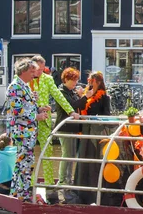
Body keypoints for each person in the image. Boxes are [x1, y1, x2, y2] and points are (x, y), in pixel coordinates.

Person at [30, 55, 79, 185]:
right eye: (37, 69)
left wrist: (71, 111)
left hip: (44, 121)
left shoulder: (48, 79)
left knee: (47, 153)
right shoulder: (25, 80)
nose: (40, 72)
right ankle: (29, 184)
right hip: (29, 122)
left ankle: (49, 184)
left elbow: (58, 96)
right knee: (28, 154)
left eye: (42, 69)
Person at [7, 58, 49, 202]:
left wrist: (40, 108)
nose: (34, 74)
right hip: (22, 133)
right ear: (24, 71)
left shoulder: (24, 86)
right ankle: (19, 195)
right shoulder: (15, 87)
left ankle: (22, 193)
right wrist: (37, 116)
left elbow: (27, 106)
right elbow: (17, 110)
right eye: (32, 71)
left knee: (26, 163)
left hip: (28, 133)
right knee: (22, 163)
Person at [74, 71, 111, 205]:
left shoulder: (104, 97)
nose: (89, 84)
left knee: (95, 161)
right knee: (84, 159)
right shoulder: (86, 95)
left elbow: (107, 114)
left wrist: (95, 117)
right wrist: (83, 97)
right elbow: (80, 108)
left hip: (97, 134)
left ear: (98, 83)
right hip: (86, 132)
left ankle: (95, 191)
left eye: (92, 81)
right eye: (89, 81)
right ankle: (81, 190)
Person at [55, 68, 90, 185]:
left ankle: (68, 179)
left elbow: (77, 105)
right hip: (65, 127)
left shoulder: (71, 92)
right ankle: (62, 180)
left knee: (71, 154)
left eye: (76, 80)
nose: (75, 83)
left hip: (72, 127)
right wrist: (85, 97)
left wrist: (81, 96)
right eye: (73, 80)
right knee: (67, 154)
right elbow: (72, 105)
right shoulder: (61, 92)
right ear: (66, 79)